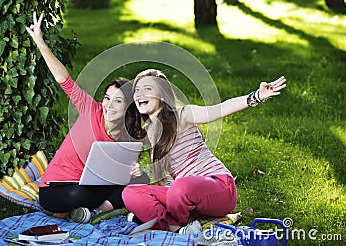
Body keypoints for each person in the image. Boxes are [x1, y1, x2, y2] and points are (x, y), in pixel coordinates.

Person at [122, 68, 287, 234]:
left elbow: (220, 108)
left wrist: (255, 97)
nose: (139, 94)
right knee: (130, 193)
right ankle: (176, 228)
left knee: (180, 188)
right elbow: (126, 148)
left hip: (218, 189)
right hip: (183, 198)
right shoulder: (148, 131)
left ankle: (162, 218)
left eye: (147, 89)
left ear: (163, 95)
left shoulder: (182, 115)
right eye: (137, 90)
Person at [26, 12, 147, 223]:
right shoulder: (91, 109)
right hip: (58, 188)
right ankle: (95, 208)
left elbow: (123, 174)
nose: (108, 105)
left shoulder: (130, 136)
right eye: (107, 98)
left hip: (95, 186)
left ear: (128, 108)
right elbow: (63, 78)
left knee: (140, 182)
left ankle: (93, 211)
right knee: (78, 194)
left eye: (117, 101)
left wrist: (135, 171)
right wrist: (41, 43)